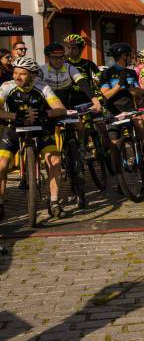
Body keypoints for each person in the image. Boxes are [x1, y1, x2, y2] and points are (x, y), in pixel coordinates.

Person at [0, 57, 67, 219]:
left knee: (55, 161)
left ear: (33, 75)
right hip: (14, 128)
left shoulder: (42, 87)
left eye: (22, 74)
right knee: (1, 165)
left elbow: (61, 109)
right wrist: (14, 115)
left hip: (39, 128)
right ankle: (1, 202)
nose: (17, 77)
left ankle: (54, 202)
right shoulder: (6, 87)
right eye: (15, 73)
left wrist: (44, 113)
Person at [99, 42, 144, 144]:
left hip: (129, 108)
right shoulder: (106, 73)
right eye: (129, 55)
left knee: (140, 124)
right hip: (113, 111)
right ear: (123, 56)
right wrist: (119, 85)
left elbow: (139, 92)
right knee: (114, 143)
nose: (132, 58)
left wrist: (131, 88)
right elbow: (105, 95)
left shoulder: (132, 72)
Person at [63, 34, 101, 107]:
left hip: (88, 99)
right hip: (70, 102)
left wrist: (98, 81)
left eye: (74, 48)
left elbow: (101, 78)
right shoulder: (63, 64)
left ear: (81, 49)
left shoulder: (88, 63)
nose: (70, 51)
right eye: (68, 48)